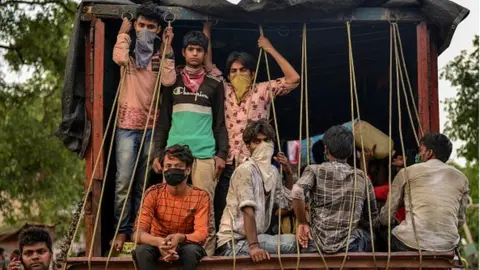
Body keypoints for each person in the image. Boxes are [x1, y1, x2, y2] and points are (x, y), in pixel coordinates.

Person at [202, 23, 301, 231]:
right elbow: (207, 63)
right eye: (234, 71)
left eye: (243, 70)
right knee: (223, 207)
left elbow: (293, 79)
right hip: (228, 161)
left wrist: (269, 48)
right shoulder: (223, 88)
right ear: (228, 75)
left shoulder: (263, 90)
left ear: (253, 73)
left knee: (258, 210)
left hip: (256, 164)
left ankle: (256, 244)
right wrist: (207, 30)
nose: (238, 74)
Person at [152, 28, 228, 256]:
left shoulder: (214, 85)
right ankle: (176, 254)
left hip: (205, 154)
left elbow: (220, 123)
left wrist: (222, 154)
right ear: (183, 52)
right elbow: (162, 122)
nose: (195, 54)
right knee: (173, 207)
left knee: (205, 207)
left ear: (205, 54)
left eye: (200, 50)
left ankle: (207, 257)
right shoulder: (171, 82)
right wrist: (158, 152)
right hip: (174, 155)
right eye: (191, 50)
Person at [111, 1, 176, 251]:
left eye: (151, 27)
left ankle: (139, 230)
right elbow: (117, 56)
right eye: (142, 26)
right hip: (126, 126)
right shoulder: (128, 56)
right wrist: (124, 31)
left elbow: (169, 80)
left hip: (151, 127)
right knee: (122, 183)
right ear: (136, 26)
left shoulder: (160, 58)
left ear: (159, 30)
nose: (146, 31)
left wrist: (168, 48)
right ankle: (121, 231)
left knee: (143, 183)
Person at [216, 119, 296, 263]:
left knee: (293, 240)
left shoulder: (273, 172)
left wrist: (289, 174)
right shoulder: (245, 170)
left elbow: (286, 203)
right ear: (248, 146)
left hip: (255, 239)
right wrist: (254, 247)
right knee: (292, 244)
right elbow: (248, 210)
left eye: (267, 140)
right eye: (257, 142)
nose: (263, 145)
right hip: (234, 243)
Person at [292, 125, 379, 254]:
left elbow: (297, 191)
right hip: (350, 246)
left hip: (316, 244)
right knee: (371, 236)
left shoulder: (314, 170)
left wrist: (302, 223)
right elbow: (371, 218)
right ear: (350, 152)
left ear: (326, 150)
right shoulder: (362, 177)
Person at [379, 133, 469, 252]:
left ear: (429, 153)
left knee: (381, 231)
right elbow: (460, 220)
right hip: (447, 246)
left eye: (421, 150)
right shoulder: (462, 178)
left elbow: (386, 218)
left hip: (409, 244)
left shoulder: (406, 172)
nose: (419, 155)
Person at [132, 145, 210, 270]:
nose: (172, 169)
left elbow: (201, 234)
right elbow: (138, 234)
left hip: (185, 244)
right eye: (168, 166)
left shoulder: (201, 196)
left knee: (191, 252)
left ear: (188, 170)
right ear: (163, 169)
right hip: (157, 242)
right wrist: (160, 243)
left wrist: (179, 238)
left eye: (178, 166)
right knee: (141, 251)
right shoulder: (153, 193)